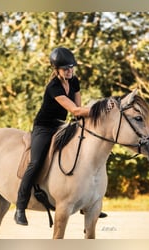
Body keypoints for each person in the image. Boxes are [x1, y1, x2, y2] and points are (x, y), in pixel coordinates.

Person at [14, 47, 107, 226]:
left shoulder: (74, 81)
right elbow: (75, 109)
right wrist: (102, 108)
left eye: (71, 67)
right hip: (44, 127)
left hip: (62, 124)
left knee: (83, 151)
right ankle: (20, 206)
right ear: (56, 70)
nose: (69, 71)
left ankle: (88, 201)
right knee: (35, 162)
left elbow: (78, 112)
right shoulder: (53, 86)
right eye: (65, 68)